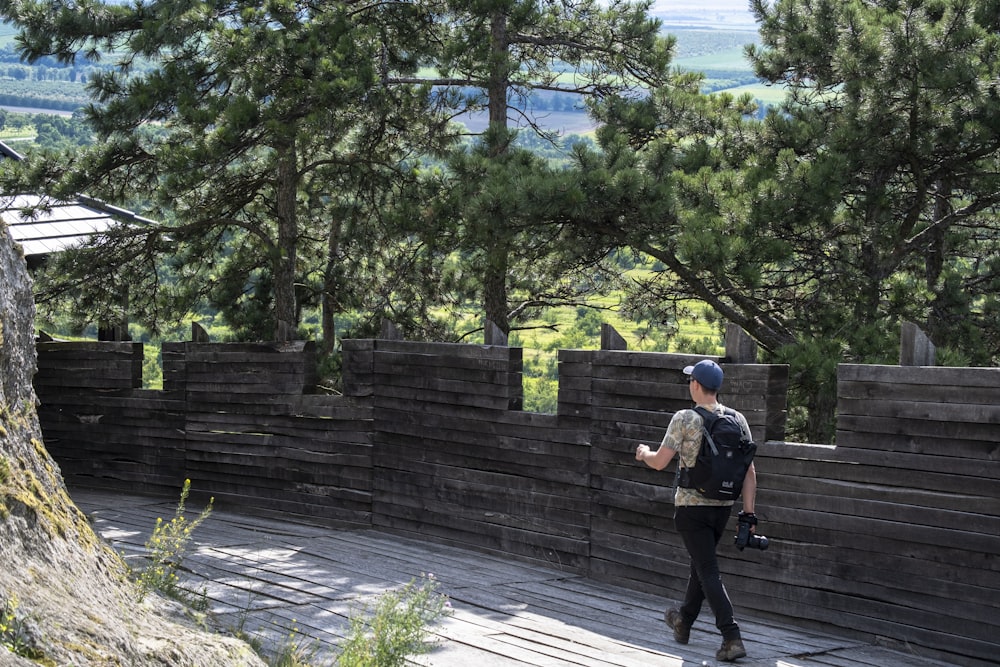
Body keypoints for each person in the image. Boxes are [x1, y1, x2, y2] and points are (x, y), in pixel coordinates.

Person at [635, 359, 757, 663]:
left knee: (707, 570)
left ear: (696, 385)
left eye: (691, 381)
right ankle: (684, 621)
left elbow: (660, 461)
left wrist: (643, 454)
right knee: (701, 566)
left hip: (692, 508)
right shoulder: (738, 419)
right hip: (723, 507)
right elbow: (749, 471)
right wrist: (748, 513)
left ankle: (731, 637)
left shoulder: (685, 418)